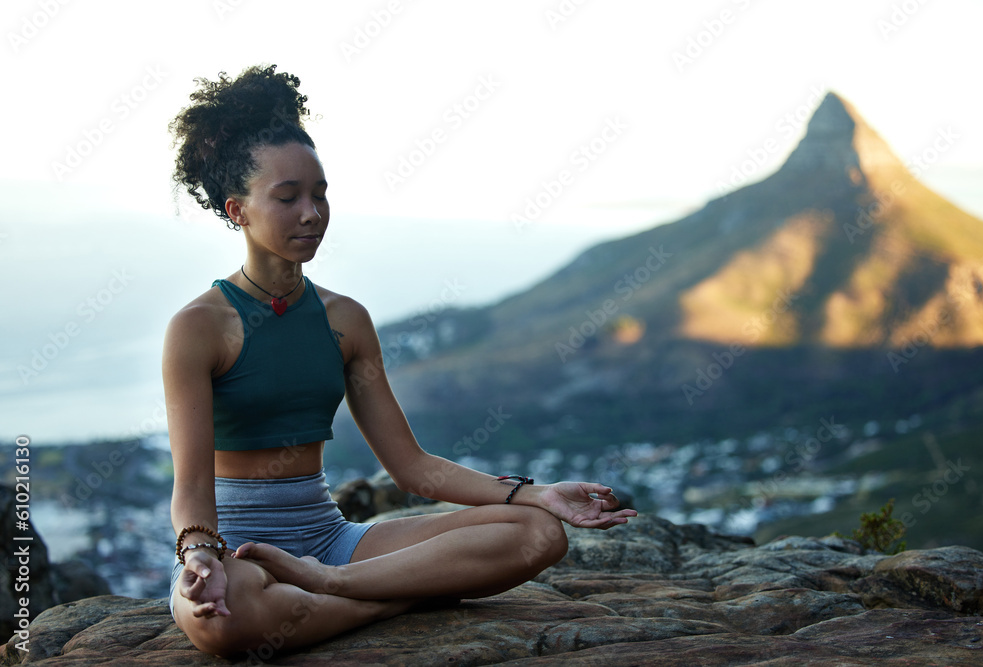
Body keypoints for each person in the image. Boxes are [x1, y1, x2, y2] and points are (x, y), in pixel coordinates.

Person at [164, 64, 637, 658]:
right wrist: (200, 553)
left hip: (333, 545)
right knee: (221, 623)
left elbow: (412, 467)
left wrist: (535, 494)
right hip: (237, 553)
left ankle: (334, 587)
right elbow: (191, 485)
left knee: (538, 533)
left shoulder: (345, 319)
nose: (311, 213)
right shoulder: (198, 327)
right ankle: (398, 594)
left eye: (320, 194)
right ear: (238, 210)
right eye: (287, 198)